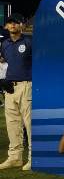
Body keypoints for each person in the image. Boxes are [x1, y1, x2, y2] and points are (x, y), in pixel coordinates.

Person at [0, 13, 33, 170]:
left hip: (27, 86)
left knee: (29, 124)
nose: (13, 25)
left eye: (16, 22)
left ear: (22, 25)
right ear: (6, 26)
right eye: (10, 23)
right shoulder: (4, 44)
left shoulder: (30, 41)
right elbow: (6, 62)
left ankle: (33, 157)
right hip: (9, 88)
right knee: (12, 124)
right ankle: (15, 157)